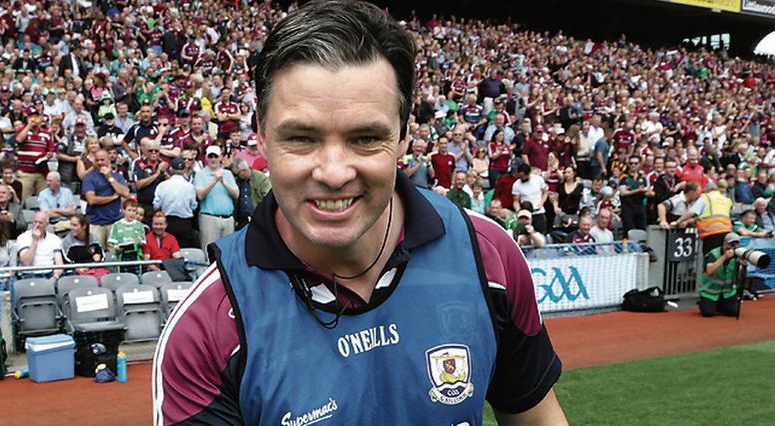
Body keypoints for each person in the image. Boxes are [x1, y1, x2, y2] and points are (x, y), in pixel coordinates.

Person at [154, 3, 565, 425]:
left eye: (366, 137)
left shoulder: (489, 255)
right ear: (260, 136)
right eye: (301, 137)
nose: (333, 173)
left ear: (405, 135)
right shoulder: (205, 328)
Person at [82, 149, 131, 247]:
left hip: (114, 223)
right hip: (95, 224)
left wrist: (109, 178)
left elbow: (125, 193)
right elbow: (91, 200)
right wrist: (112, 198)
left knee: (115, 255)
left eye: (102, 160)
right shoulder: (89, 178)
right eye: (97, 160)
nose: (100, 163)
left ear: (108, 160)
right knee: (96, 254)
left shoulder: (117, 177)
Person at [195, 145, 239, 251]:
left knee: (228, 251)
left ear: (220, 158)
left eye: (216, 156)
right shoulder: (201, 174)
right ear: (206, 158)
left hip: (228, 219)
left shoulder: (227, 174)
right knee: (210, 251)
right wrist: (214, 180)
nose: (213, 159)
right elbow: (200, 195)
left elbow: (236, 194)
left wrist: (224, 182)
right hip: (210, 218)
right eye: (210, 157)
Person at [675, 181, 732, 255]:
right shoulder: (726, 199)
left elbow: (691, 212)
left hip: (711, 234)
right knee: (721, 258)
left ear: (706, 190)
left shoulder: (705, 197)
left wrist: (678, 221)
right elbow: (706, 217)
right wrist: (687, 222)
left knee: (710, 259)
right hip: (726, 232)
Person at [154, 157, 199, 248]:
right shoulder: (189, 187)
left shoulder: (162, 186)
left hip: (168, 222)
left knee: (168, 250)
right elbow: (193, 206)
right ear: (183, 170)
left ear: (171, 169)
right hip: (185, 223)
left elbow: (156, 205)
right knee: (184, 251)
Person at [15, 108, 56, 200]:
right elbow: (19, 139)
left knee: (44, 199)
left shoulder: (46, 133)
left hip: (41, 172)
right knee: (23, 199)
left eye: (36, 116)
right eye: (31, 116)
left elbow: (51, 149)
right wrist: (29, 125)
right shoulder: (22, 130)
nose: (34, 118)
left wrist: (49, 154)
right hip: (25, 173)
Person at [698, 232, 742, 317]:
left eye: (736, 244)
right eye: (731, 244)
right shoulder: (714, 254)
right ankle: (704, 303)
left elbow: (740, 277)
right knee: (708, 313)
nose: (732, 247)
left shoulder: (737, 255)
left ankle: (720, 305)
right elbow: (710, 271)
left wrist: (742, 265)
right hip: (709, 292)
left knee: (734, 312)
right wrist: (724, 257)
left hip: (727, 292)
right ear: (724, 243)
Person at [17, 212, 64, 280]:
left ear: (46, 224)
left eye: (40, 223)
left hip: (49, 273)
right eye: (35, 222)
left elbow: (59, 264)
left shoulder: (55, 239)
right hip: (29, 274)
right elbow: (26, 262)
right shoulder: (23, 237)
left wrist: (55, 277)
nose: (37, 225)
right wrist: (35, 240)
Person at [230, 158, 272, 228]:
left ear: (244, 170)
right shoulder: (238, 181)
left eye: (238, 174)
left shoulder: (260, 178)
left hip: (258, 216)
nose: (236, 176)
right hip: (242, 219)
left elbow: (268, 196)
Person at [108, 199, 146, 275]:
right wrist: (116, 247)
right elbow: (112, 242)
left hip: (135, 256)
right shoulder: (116, 225)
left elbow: (143, 242)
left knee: (136, 276)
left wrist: (140, 242)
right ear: (123, 210)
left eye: (134, 211)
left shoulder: (139, 225)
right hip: (121, 256)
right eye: (129, 210)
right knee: (124, 276)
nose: (131, 213)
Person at [619, 155, 653, 235]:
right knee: (628, 229)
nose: (633, 165)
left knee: (642, 229)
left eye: (635, 163)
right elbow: (623, 193)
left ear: (639, 164)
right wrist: (638, 190)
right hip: (628, 207)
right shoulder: (624, 177)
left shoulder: (642, 177)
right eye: (631, 163)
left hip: (639, 206)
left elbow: (646, 190)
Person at [512, 163, 548, 233]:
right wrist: (518, 210)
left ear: (528, 173)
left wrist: (541, 203)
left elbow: (545, 192)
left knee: (540, 233)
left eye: (523, 176)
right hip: (525, 214)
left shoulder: (538, 179)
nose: (522, 178)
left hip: (538, 212)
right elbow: (515, 200)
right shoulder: (516, 185)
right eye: (520, 176)